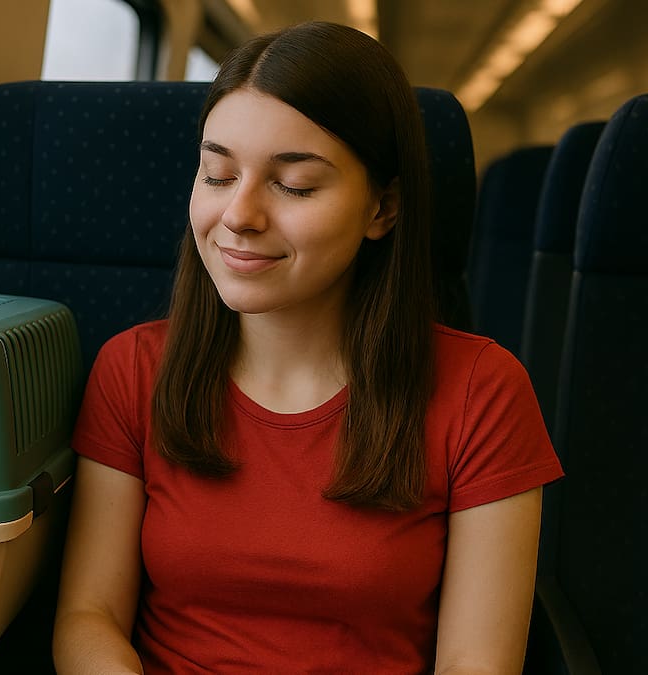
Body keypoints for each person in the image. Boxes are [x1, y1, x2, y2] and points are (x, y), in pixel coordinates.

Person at [52, 21, 564, 675]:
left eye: (293, 185)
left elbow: (476, 662)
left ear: (383, 208)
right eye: (217, 174)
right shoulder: (132, 369)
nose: (239, 214)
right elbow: (87, 617)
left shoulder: (482, 390)